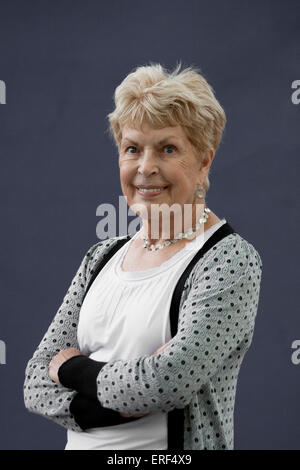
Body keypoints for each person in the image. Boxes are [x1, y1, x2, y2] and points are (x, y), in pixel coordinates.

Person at [23, 62, 263, 450]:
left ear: (204, 161)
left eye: (168, 148)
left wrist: (70, 368)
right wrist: (122, 400)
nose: (146, 167)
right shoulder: (100, 257)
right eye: (132, 148)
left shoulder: (227, 260)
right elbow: (34, 382)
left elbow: (168, 383)